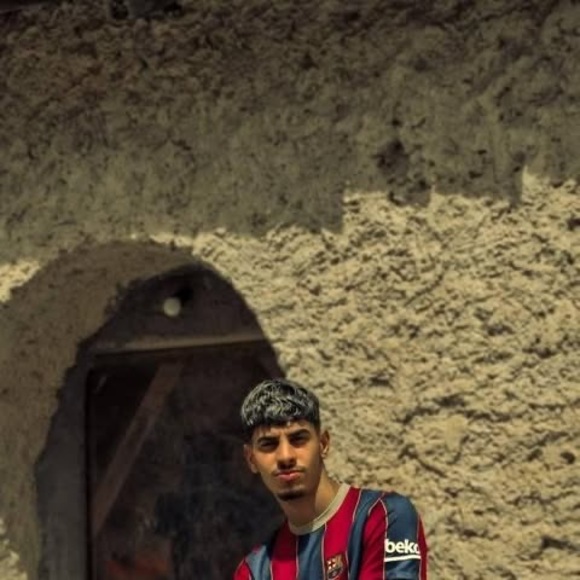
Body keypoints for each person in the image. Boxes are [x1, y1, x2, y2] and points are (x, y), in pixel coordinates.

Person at [234, 378, 428, 580]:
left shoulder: (383, 515)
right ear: (251, 459)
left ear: (323, 444)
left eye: (298, 439)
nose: (285, 456)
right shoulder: (253, 571)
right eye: (268, 444)